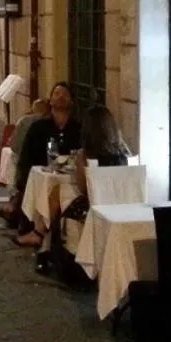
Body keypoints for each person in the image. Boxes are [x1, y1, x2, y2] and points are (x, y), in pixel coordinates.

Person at [13, 104, 130, 249]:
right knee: (57, 193)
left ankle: (42, 238)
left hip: (92, 207)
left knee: (55, 193)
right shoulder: (123, 153)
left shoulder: (86, 155)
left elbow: (83, 188)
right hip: (119, 204)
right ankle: (44, 241)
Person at [7, 82, 82, 237]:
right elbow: (25, 158)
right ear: (50, 100)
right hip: (41, 176)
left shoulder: (78, 128)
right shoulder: (38, 127)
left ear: (72, 101)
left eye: (65, 94)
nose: (61, 97)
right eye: (57, 94)